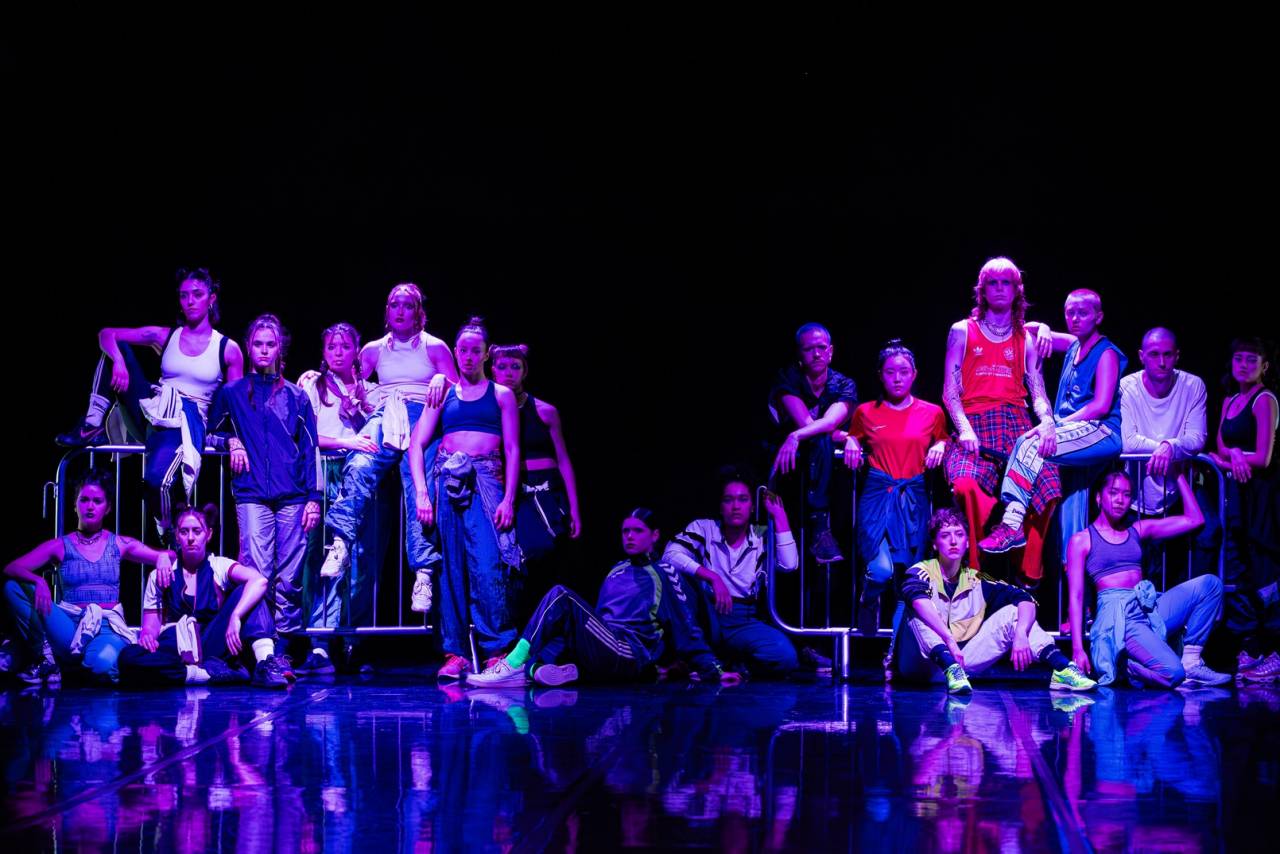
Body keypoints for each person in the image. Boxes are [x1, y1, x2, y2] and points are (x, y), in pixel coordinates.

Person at [56, 268, 245, 537]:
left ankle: (168, 529)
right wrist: (119, 362)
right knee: (116, 348)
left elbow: (233, 403)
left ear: (211, 299)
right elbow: (106, 334)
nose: (190, 301)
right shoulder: (165, 336)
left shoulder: (227, 348)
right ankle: (91, 424)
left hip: (186, 422)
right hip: (153, 410)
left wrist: (230, 440)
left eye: (197, 295)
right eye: (183, 296)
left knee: (157, 481)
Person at [465, 508, 740, 687]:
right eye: (625, 531)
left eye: (637, 531)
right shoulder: (616, 570)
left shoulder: (665, 572)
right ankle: (532, 669)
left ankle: (515, 663)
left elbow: (686, 628)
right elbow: (595, 623)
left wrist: (712, 670)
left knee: (561, 596)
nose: (629, 536)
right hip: (607, 644)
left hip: (628, 651)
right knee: (565, 621)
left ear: (655, 536)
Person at [319, 283, 458, 615]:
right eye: (394, 304)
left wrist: (443, 381)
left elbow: (461, 388)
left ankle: (423, 573)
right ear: (386, 311)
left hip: (423, 416)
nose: (400, 310)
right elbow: (350, 383)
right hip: (387, 414)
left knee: (418, 492)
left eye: (407, 305)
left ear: (418, 311)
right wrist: (317, 374)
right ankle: (340, 542)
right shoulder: (373, 349)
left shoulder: (435, 347)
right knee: (360, 463)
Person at [408, 317, 521, 681]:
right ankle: (454, 652)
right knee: (451, 567)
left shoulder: (501, 395)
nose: (469, 356)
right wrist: (423, 492)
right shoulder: (443, 393)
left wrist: (508, 499)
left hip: (486, 484)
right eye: (463, 350)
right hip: (447, 482)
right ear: (455, 353)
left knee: (487, 566)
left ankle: (495, 650)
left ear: (486, 354)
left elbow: (513, 448)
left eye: (476, 350)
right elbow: (416, 443)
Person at [205, 314, 322, 662]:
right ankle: (262, 649)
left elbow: (310, 450)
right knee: (256, 572)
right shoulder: (232, 393)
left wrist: (314, 499)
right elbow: (209, 433)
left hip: (293, 496)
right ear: (248, 347)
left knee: (289, 577)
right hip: (252, 494)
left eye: (270, 344)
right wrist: (232, 443)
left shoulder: (297, 397)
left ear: (280, 348)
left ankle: (282, 647)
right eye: (258, 343)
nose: (264, 350)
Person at [979, 289, 1127, 558]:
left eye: (1083, 312)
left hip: (1101, 431)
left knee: (1030, 442)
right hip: (1073, 433)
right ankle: (1070, 586)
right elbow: (1028, 330)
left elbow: (1101, 406)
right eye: (1070, 312)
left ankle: (1012, 523)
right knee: (1069, 518)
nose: (1075, 318)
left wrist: (1054, 426)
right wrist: (1045, 327)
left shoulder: (1106, 353)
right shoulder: (1074, 346)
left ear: (1098, 316)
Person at [942, 257, 1061, 582]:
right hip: (976, 424)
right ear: (982, 290)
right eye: (992, 283)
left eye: (1005, 282)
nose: (999, 288)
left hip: (1016, 424)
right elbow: (950, 391)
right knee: (966, 487)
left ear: (1016, 290)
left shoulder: (1027, 337)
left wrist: (1047, 421)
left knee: (1049, 479)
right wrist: (964, 429)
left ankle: (1029, 573)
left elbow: (1038, 391)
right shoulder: (962, 331)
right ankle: (974, 572)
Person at [897, 508, 1097, 693]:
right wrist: (949, 640)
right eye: (945, 535)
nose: (953, 541)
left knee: (1014, 612)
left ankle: (1062, 668)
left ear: (967, 543)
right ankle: (949, 665)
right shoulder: (920, 571)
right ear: (934, 544)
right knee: (918, 609)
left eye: (959, 535)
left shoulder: (977, 579)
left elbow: (1025, 598)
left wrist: (1020, 633)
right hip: (918, 665)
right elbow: (916, 599)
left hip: (960, 669)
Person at [3, 469, 174, 683]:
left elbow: (169, 555)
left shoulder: (119, 544)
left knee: (102, 666)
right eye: (84, 500)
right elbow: (12, 567)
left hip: (105, 627)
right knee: (13, 587)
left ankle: (71, 664)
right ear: (75, 505)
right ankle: (44, 657)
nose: (90, 506)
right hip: (68, 625)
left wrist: (162, 558)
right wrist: (38, 581)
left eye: (97, 501)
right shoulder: (60, 545)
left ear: (108, 508)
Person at [1065, 470, 1231, 688]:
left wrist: (1177, 472)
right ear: (1099, 497)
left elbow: (1194, 519)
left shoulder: (1138, 530)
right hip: (1122, 619)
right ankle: (1129, 668)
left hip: (1148, 609)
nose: (1120, 500)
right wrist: (1077, 650)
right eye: (1114, 493)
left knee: (1210, 585)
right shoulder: (1082, 540)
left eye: (1126, 494)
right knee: (1173, 673)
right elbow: (1076, 597)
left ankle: (1191, 661)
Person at [115, 504, 291, 688]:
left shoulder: (218, 565)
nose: (191, 538)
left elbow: (259, 581)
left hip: (210, 644)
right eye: (184, 532)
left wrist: (236, 616)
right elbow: (150, 629)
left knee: (248, 592)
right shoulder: (161, 574)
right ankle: (202, 675)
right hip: (175, 648)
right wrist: (147, 637)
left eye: (197, 531)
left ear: (208, 535)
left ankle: (266, 664)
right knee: (128, 658)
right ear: (177, 536)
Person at [298, 322, 382, 674]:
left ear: (356, 352)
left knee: (360, 563)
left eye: (345, 346)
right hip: (324, 474)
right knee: (321, 560)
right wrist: (347, 440)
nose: (337, 352)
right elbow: (307, 433)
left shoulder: (372, 390)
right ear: (323, 352)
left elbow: (377, 436)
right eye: (331, 346)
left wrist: (357, 413)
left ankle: (352, 639)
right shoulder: (312, 385)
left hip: (356, 481)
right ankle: (319, 644)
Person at [847, 339, 948, 632]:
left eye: (903, 371)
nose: (897, 378)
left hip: (912, 498)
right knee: (880, 571)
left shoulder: (932, 412)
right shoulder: (866, 412)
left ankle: (894, 652)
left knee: (909, 580)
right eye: (890, 372)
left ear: (914, 373)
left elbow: (944, 438)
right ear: (880, 375)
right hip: (878, 497)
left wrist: (940, 445)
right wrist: (852, 440)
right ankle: (868, 599)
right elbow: (850, 436)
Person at [663, 467, 800, 677]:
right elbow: (670, 555)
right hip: (706, 613)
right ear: (720, 506)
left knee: (784, 657)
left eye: (743, 499)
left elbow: (789, 565)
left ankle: (731, 663)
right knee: (670, 576)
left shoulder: (761, 536)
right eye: (729, 500)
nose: (735, 506)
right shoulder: (704, 528)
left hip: (742, 619)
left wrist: (779, 516)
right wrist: (712, 577)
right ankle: (706, 661)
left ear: (753, 506)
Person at [1209, 337, 1280, 681]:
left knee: (1264, 568)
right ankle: (1253, 647)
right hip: (1236, 495)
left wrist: (1235, 456)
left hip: (1260, 495)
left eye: (1252, 360)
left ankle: (1277, 648)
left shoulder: (1264, 399)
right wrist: (1232, 455)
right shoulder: (1230, 400)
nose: (1244, 365)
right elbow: (1222, 445)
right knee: (1239, 570)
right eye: (1238, 359)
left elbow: (1264, 456)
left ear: (1265, 366)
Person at [489, 343, 582, 584]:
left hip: (547, 490)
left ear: (525, 371)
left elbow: (563, 459)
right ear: (492, 371)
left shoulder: (545, 411)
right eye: (502, 367)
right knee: (520, 557)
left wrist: (574, 508)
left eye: (515, 367)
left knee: (549, 555)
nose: (509, 372)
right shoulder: (490, 410)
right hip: (512, 491)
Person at [769, 323, 858, 564]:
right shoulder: (788, 378)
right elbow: (807, 424)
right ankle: (819, 525)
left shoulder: (843, 384)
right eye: (809, 349)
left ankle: (823, 527)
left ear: (831, 351)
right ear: (799, 353)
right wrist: (844, 436)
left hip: (829, 474)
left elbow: (828, 423)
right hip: (789, 469)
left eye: (821, 348)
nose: (816, 354)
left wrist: (848, 437)